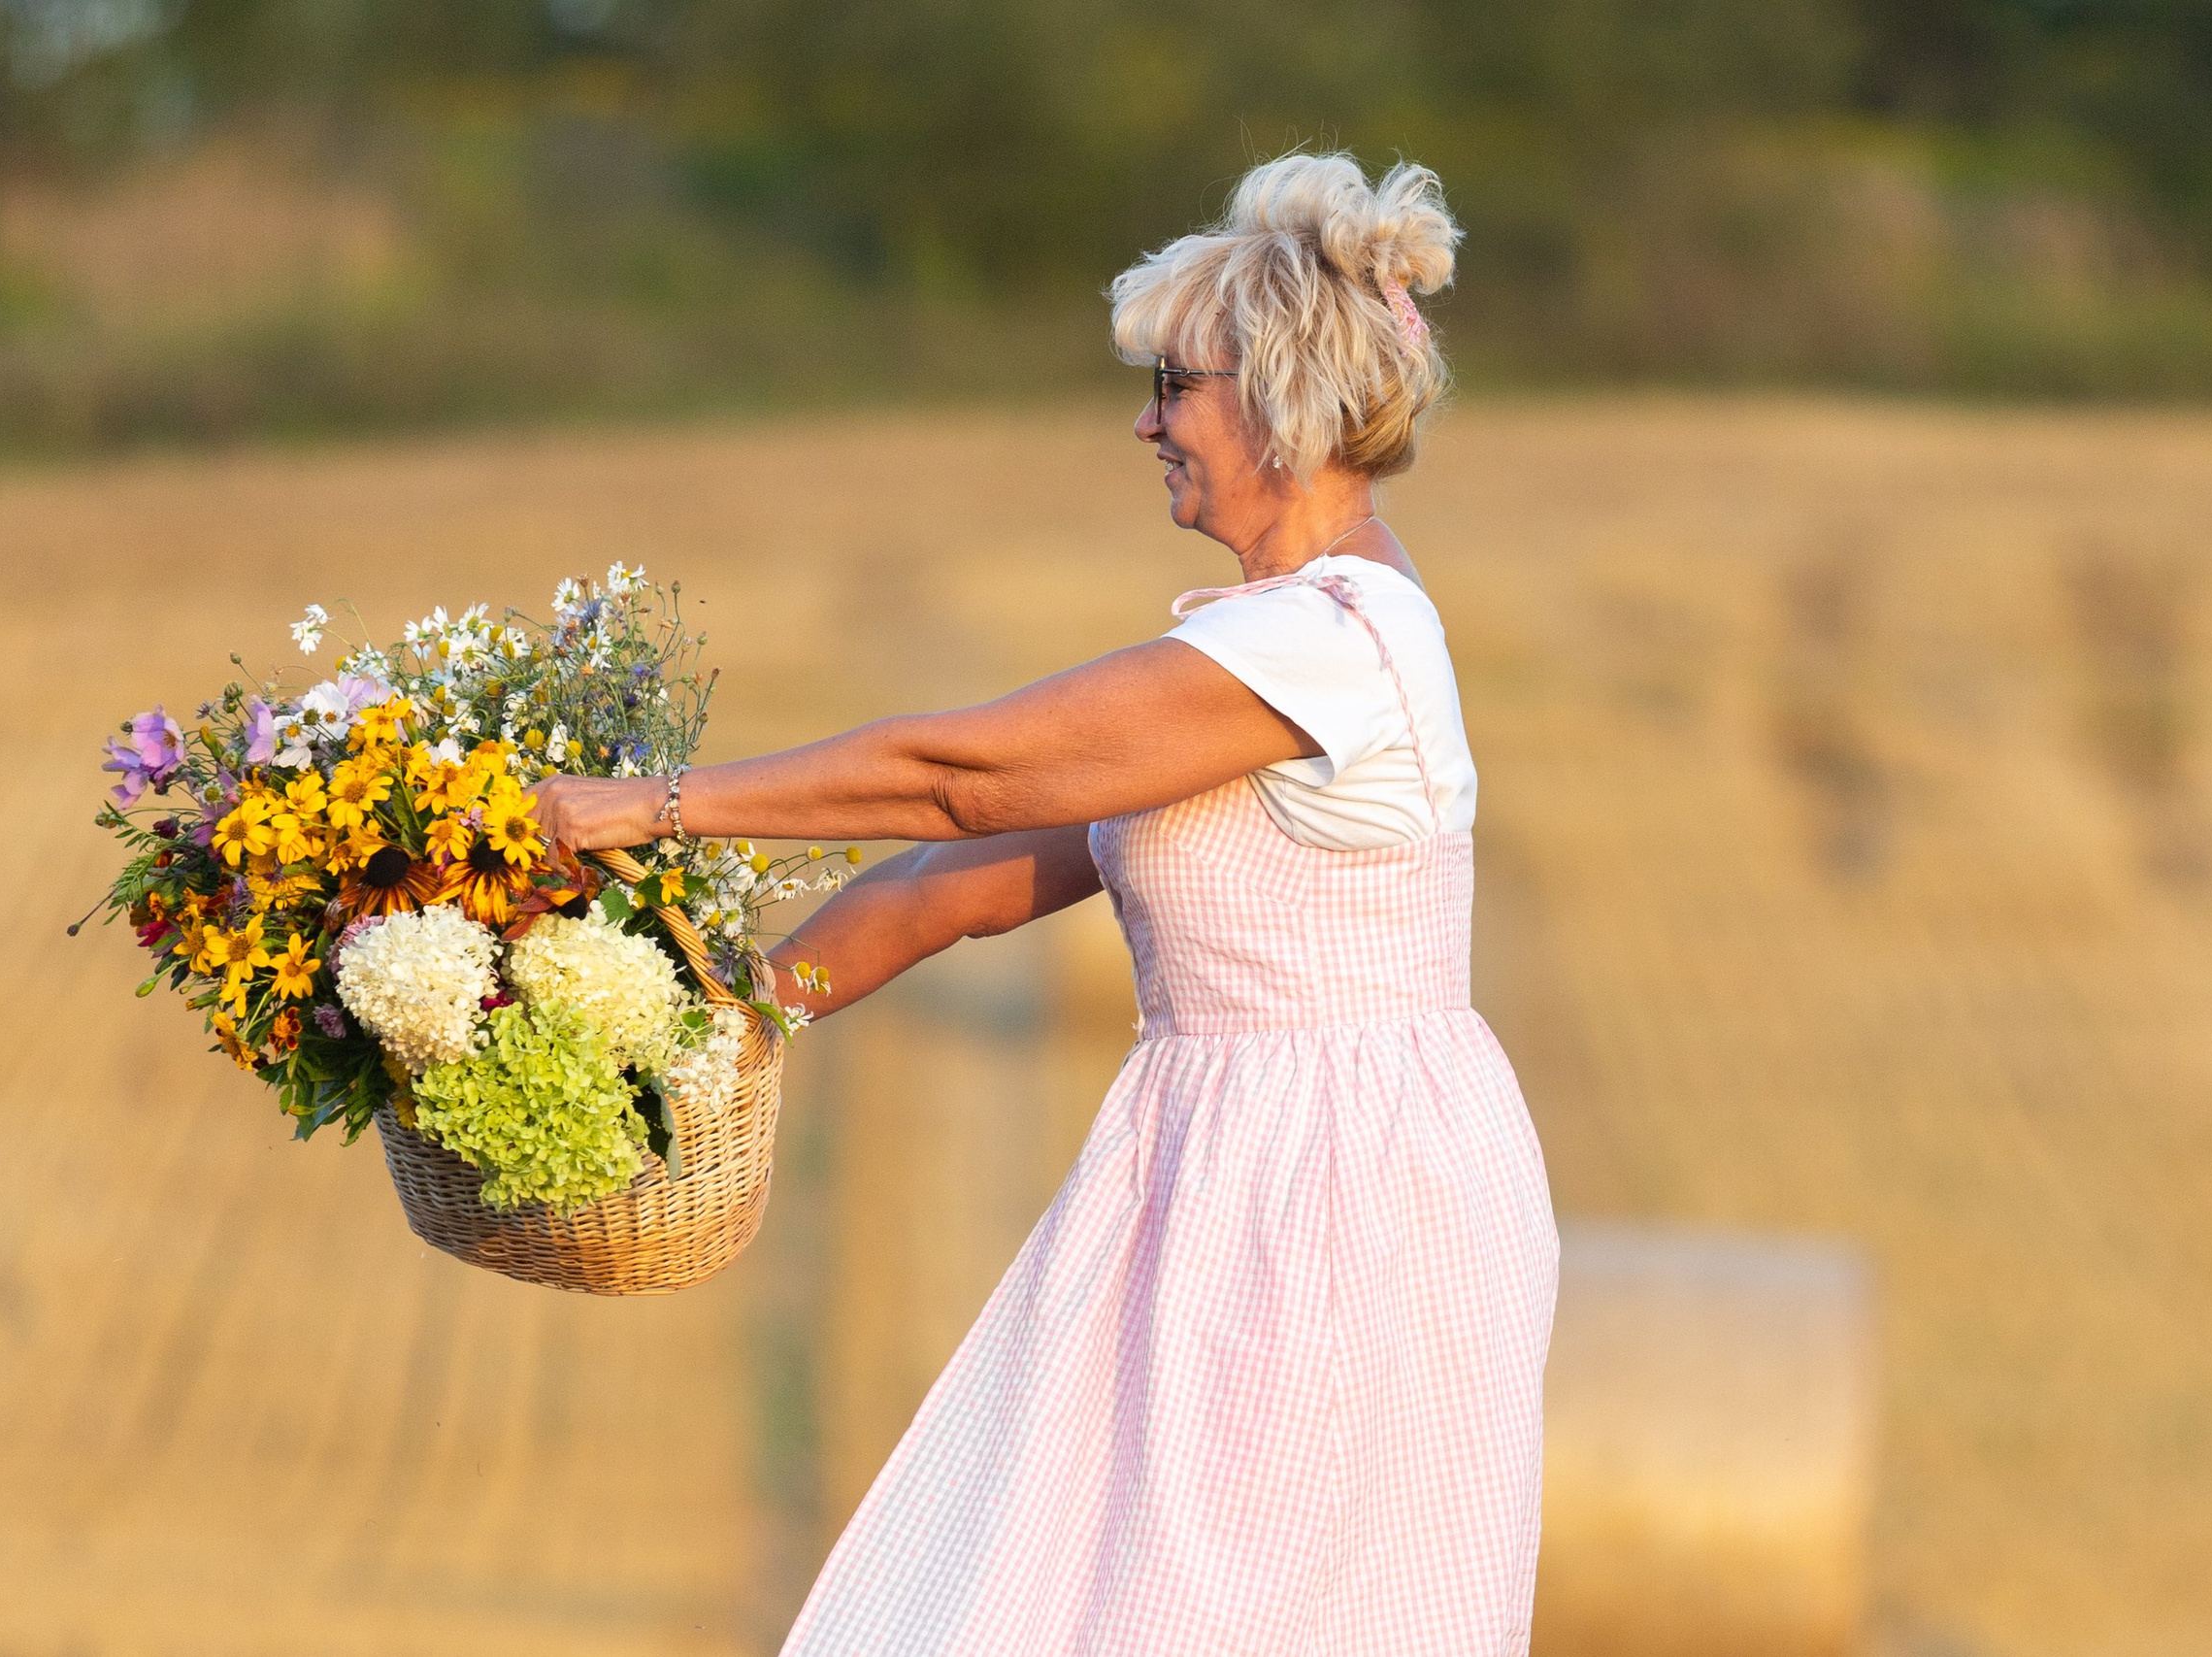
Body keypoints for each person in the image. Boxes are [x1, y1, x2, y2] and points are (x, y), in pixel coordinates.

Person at [529, 150, 1560, 1657]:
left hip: (1331, 1195)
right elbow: (962, 886)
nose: (1146, 422)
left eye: (1173, 385)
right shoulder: (1274, 643)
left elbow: (962, 780)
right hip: (1234, 1167)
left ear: (1281, 400)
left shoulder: (1336, 643)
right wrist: (733, 1022)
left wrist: (653, 806)